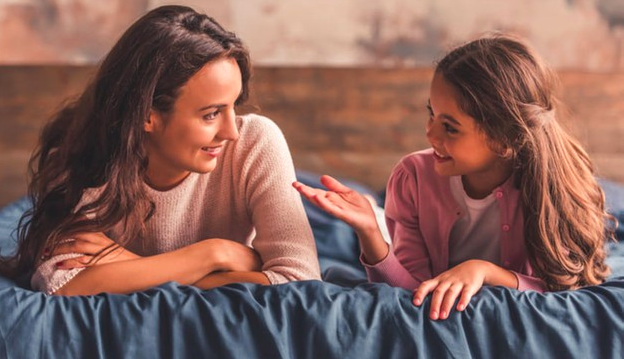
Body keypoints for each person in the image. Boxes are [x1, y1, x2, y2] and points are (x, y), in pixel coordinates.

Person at [0, 5, 321, 295]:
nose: (231, 132)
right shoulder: (86, 154)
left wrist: (129, 263)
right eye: (210, 114)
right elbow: (62, 283)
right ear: (146, 115)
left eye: (232, 106)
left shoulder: (256, 143)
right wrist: (213, 255)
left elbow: (301, 285)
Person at [294, 34, 612, 320]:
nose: (429, 133)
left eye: (450, 127)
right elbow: (409, 291)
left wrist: (485, 272)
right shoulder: (412, 177)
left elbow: (563, 289)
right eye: (431, 113)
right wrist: (370, 234)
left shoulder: (553, 190)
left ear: (504, 140)